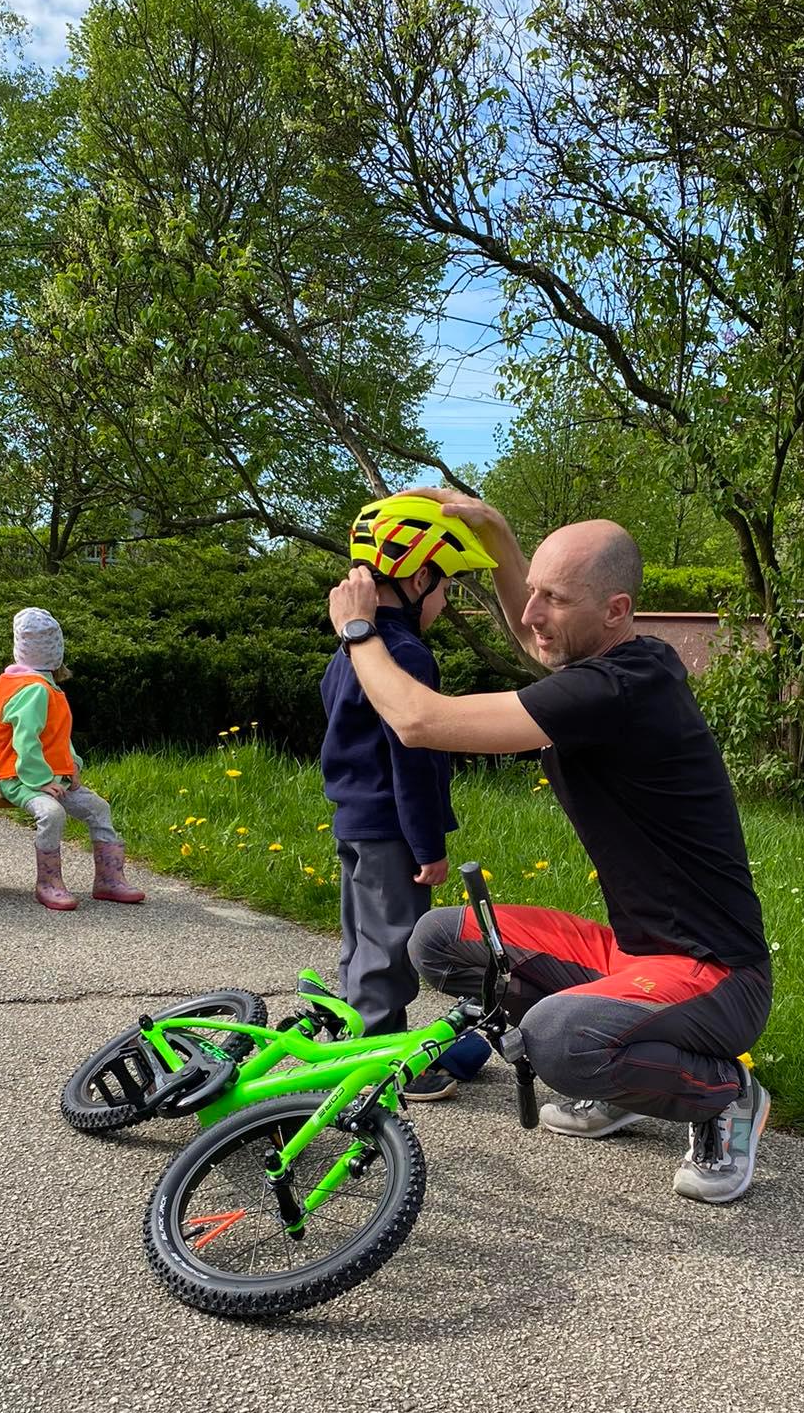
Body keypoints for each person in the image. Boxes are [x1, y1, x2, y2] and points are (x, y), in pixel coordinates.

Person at [326, 492, 773, 1205]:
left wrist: (359, 628)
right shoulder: (618, 666)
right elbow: (534, 638)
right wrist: (499, 533)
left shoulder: (618, 690)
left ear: (616, 610)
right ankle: (623, 1077)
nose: (531, 613)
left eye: (554, 599)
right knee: (437, 939)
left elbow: (417, 721)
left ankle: (724, 1093)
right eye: (532, 590)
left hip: (714, 974)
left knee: (556, 1041)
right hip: (631, 952)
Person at [322, 496, 497, 1102]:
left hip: (353, 818)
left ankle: (354, 1039)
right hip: (392, 828)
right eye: (446, 588)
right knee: (392, 945)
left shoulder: (352, 647)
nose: (445, 603)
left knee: (360, 940)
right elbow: (413, 759)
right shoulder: (407, 655)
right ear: (420, 579)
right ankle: (380, 1065)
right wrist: (429, 845)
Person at [0, 607, 145, 912]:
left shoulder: (45, 686)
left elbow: (57, 735)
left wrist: (72, 765)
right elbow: (26, 740)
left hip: (54, 777)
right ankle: (48, 882)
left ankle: (109, 879)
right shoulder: (33, 690)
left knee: (99, 808)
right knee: (52, 813)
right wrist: (40, 780)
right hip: (19, 778)